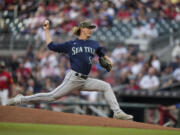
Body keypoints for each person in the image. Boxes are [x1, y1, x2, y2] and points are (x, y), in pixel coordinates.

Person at [7, 20, 133, 120]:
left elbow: (103, 55)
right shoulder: (70, 44)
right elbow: (51, 46)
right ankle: (21, 99)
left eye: (91, 28)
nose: (91, 30)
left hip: (85, 80)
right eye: (89, 28)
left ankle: (117, 112)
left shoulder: (94, 44)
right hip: (73, 78)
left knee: (106, 86)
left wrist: (108, 61)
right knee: (51, 96)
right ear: (82, 29)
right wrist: (46, 31)